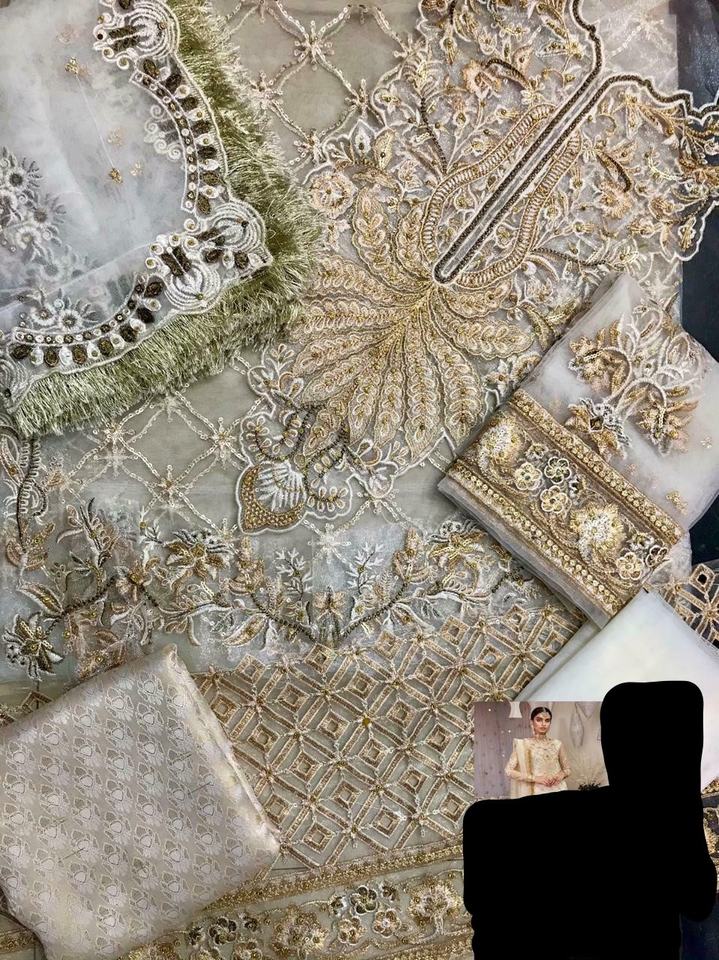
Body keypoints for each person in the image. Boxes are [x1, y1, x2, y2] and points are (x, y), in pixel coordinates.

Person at [504, 706, 571, 797]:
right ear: (532, 722)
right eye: (539, 720)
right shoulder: (524, 744)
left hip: (559, 788)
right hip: (536, 791)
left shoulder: (557, 744)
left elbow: (567, 769)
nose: (543, 724)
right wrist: (535, 778)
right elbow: (508, 770)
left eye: (547, 720)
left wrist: (561, 775)